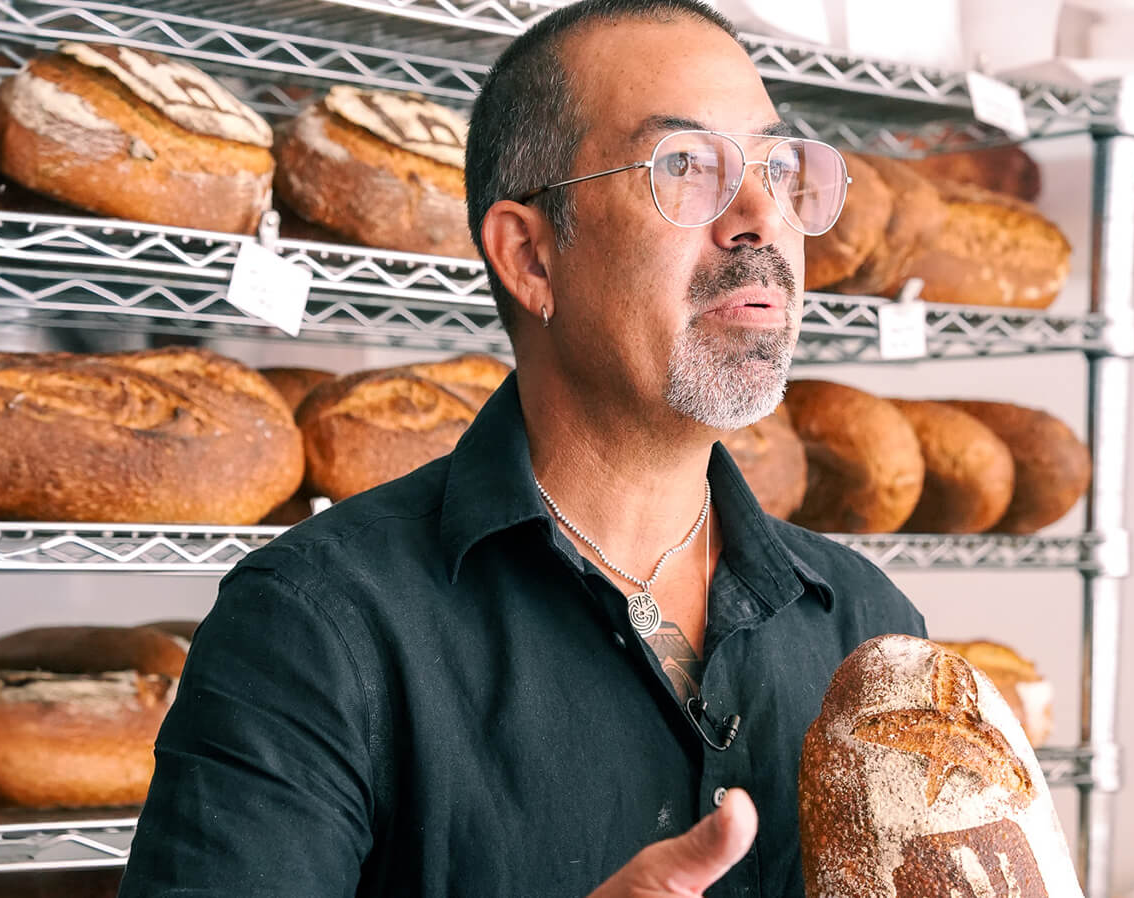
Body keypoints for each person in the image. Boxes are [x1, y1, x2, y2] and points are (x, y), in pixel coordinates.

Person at [118, 1, 924, 895]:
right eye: (687, 167)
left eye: (777, 166)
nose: (760, 218)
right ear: (531, 258)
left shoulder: (869, 632)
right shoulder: (317, 629)